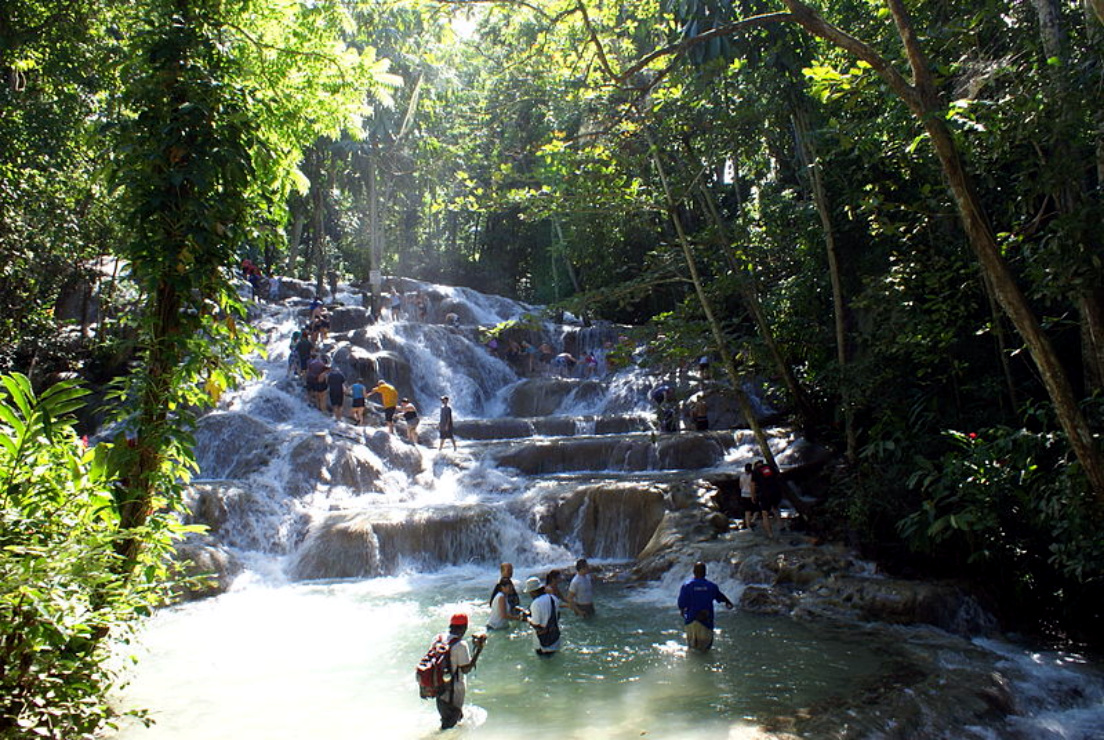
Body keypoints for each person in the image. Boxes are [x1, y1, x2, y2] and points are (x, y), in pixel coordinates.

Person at [434, 613, 486, 730]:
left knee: (450, 720)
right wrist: (478, 650)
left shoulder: (438, 638)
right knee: (448, 726)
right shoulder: (461, 645)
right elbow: (465, 669)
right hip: (454, 690)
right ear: (464, 627)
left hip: (439, 687)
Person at [677, 561, 734, 652]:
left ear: (693, 572)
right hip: (705, 622)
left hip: (691, 621)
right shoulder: (711, 586)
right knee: (704, 651)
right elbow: (720, 597)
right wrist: (728, 602)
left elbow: (681, 603)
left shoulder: (687, 586)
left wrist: (682, 611)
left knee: (692, 650)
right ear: (705, 573)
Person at [524, 574, 562, 657]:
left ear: (533, 592)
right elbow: (558, 616)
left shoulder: (535, 603)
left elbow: (536, 625)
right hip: (555, 639)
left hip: (542, 643)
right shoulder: (554, 598)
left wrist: (527, 618)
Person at [751, 459, 784, 539]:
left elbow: (752, 485)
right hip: (776, 492)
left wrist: (753, 496)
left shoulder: (756, 471)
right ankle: (782, 527)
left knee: (765, 514)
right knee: (775, 508)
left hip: (765, 493)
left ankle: (770, 534)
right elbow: (779, 476)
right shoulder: (770, 467)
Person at [740, 462, 757, 530]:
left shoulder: (742, 476)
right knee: (757, 509)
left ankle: (748, 526)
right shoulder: (753, 476)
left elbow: (740, 486)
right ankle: (752, 520)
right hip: (751, 494)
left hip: (743, 494)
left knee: (747, 511)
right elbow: (753, 486)